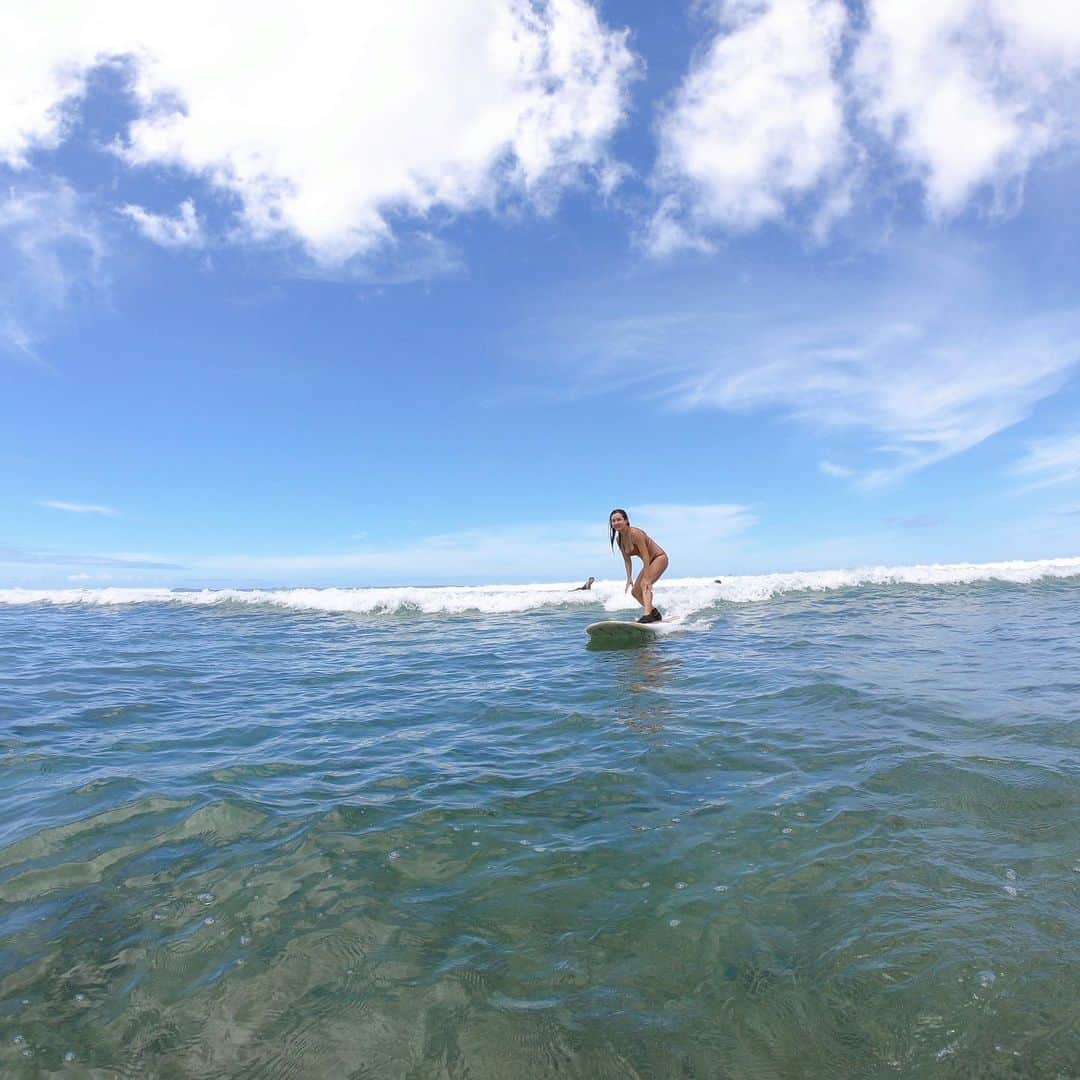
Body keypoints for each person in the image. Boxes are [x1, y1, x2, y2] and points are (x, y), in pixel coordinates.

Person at [609, 508, 667, 623]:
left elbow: (645, 556)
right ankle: (654, 613)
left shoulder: (636, 533)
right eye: (613, 521)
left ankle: (648, 615)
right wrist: (629, 577)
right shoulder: (619, 539)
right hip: (649, 562)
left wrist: (647, 578)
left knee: (644, 584)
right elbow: (627, 560)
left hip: (659, 558)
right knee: (635, 592)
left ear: (626, 520)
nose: (616, 523)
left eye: (619, 519)